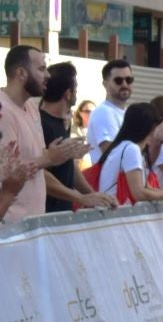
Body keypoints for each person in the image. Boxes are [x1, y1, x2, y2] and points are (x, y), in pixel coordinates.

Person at [2, 47, 89, 224]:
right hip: (10, 228)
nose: (48, 75)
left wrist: (81, 196)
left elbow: (38, 169)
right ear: (21, 73)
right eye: (41, 69)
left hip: (35, 224)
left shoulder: (33, 108)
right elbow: (8, 173)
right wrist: (50, 158)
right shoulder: (3, 112)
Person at [38, 61, 115, 213]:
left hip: (61, 212)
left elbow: (69, 167)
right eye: (76, 89)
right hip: (44, 215)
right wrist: (79, 197)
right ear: (68, 93)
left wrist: (93, 195)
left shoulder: (61, 123)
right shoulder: (41, 123)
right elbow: (39, 174)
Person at [93, 103, 163, 207]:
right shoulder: (131, 149)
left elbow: (146, 187)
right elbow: (139, 193)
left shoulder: (125, 147)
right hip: (116, 214)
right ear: (151, 126)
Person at [85, 59, 134, 161]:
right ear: (105, 84)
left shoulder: (125, 113)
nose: (124, 84)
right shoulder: (104, 112)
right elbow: (113, 153)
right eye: (118, 80)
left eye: (129, 80)